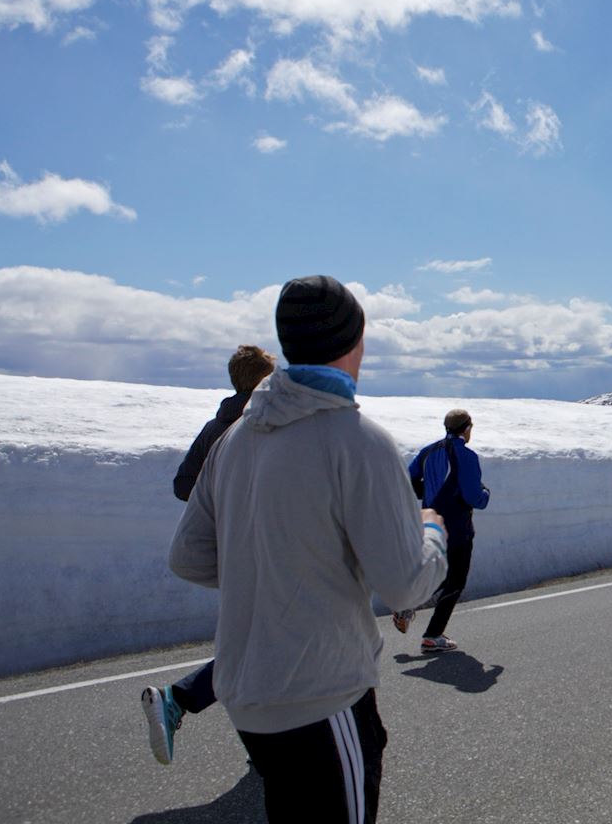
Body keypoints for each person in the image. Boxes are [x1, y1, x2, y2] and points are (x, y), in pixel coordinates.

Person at [169, 275, 448, 823]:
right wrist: (432, 532)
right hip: (322, 696)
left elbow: (190, 557)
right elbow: (403, 583)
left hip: (248, 698)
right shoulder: (358, 439)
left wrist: (275, 566)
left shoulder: (238, 438)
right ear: (354, 342)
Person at [143, 345, 275, 766]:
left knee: (256, 641)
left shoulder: (214, 426)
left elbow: (184, 484)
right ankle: (179, 697)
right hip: (263, 550)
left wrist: (216, 508)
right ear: (263, 381)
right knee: (265, 642)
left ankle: (262, 748)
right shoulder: (262, 424)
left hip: (229, 549)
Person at [393, 409, 490, 653]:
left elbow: (408, 479)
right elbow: (473, 496)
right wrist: (485, 493)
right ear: (467, 428)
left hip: (430, 523)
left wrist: (423, 492)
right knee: (456, 579)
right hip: (457, 527)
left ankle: (409, 605)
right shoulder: (465, 456)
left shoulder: (428, 451)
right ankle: (433, 635)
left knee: (441, 574)